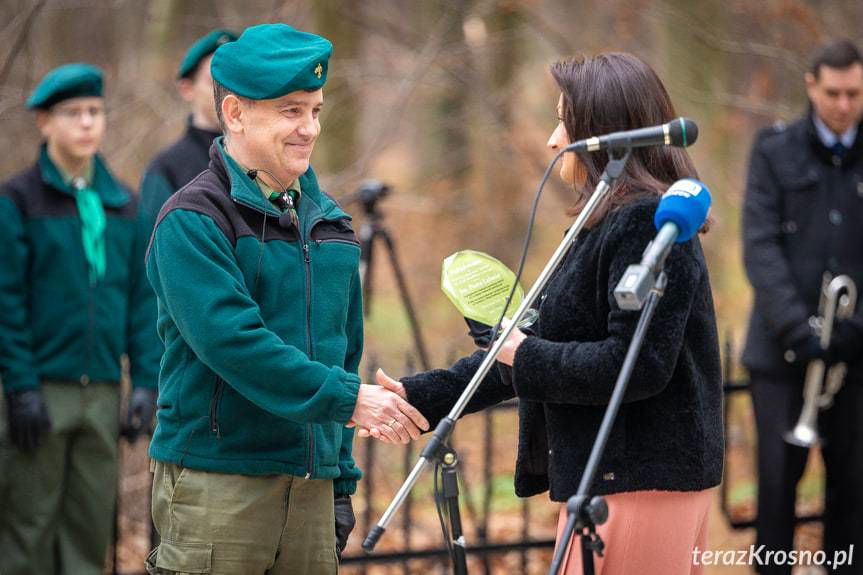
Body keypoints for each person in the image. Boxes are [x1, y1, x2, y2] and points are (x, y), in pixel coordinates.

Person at [363, 52, 724, 575]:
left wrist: (524, 352)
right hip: (604, 480)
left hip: (644, 479)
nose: (554, 140)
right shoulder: (604, 224)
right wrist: (419, 397)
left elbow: (636, 365)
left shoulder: (648, 220)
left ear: (601, 132)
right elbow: (532, 346)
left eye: (563, 122)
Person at [143, 24, 428, 575]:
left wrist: (340, 480)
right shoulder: (193, 219)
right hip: (219, 482)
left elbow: (341, 351)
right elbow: (234, 343)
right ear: (234, 114)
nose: (309, 129)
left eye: (316, 111)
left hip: (311, 490)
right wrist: (351, 399)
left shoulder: (331, 223)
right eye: (291, 111)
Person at [0, 63, 160, 574]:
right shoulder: (18, 200)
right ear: (44, 123)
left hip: (102, 392)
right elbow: (7, 300)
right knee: (29, 525)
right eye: (73, 114)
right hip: (43, 389)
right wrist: (21, 387)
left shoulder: (123, 204)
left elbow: (141, 297)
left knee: (89, 529)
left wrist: (145, 383)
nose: (87, 123)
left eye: (94, 112)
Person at [742, 39, 863, 575]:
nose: (843, 105)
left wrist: (854, 329)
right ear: (812, 86)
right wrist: (799, 329)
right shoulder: (773, 150)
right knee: (774, 497)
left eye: (855, 94)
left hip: (857, 359)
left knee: (854, 499)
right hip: (780, 357)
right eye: (833, 92)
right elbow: (759, 246)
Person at [138, 28, 238, 237]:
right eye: (215, 82)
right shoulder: (166, 168)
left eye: (235, 80)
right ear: (187, 89)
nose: (228, 92)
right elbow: (154, 253)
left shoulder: (263, 158)